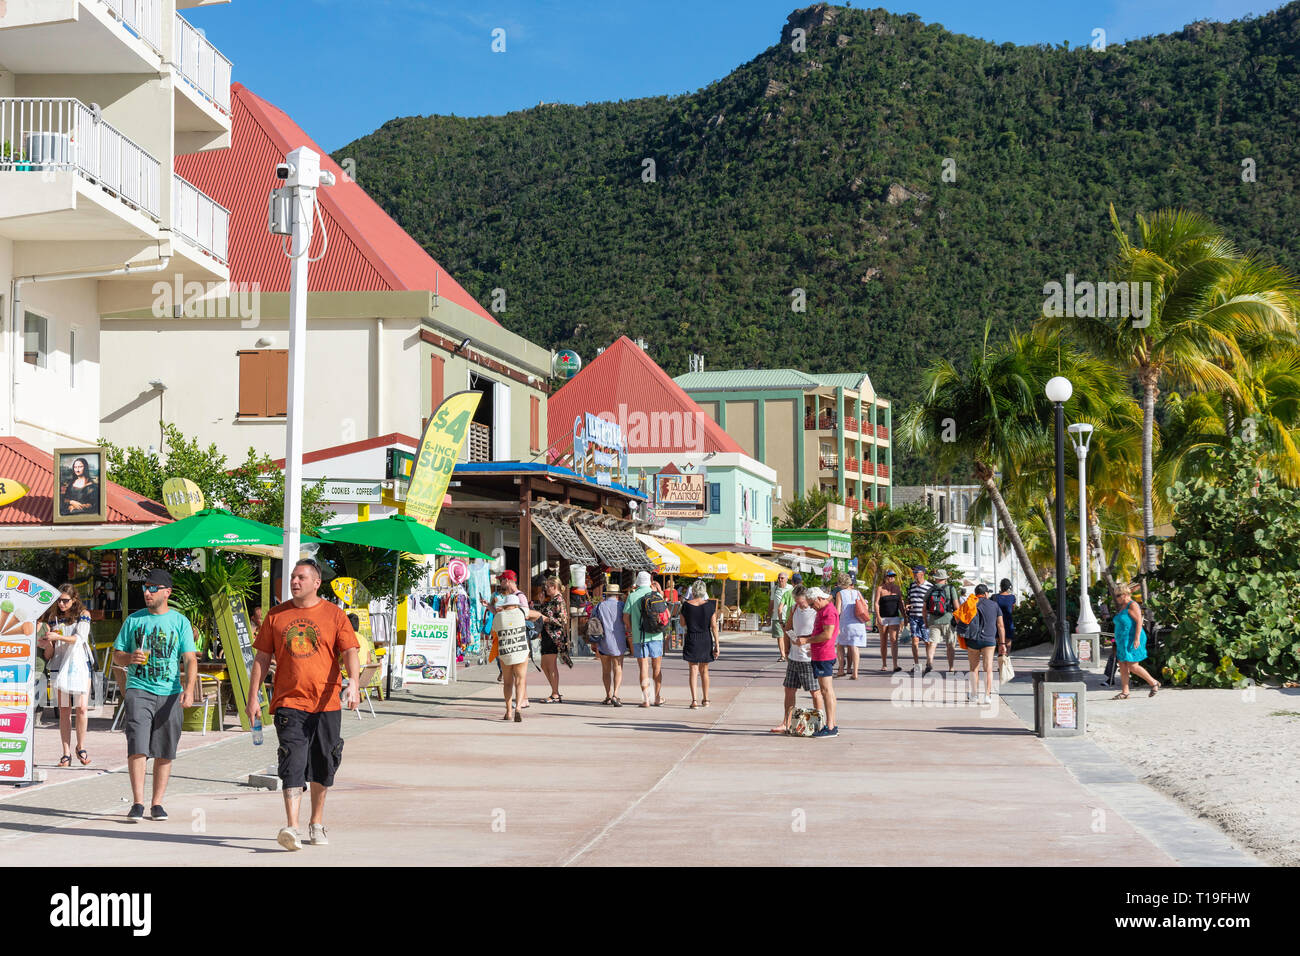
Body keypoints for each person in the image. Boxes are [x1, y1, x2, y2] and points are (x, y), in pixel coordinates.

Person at [247, 559, 361, 851]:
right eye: (293, 577)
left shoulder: (335, 615)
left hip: (326, 703)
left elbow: (349, 651)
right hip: (289, 702)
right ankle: (292, 827)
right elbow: (261, 658)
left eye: (301, 577)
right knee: (292, 760)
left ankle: (316, 823)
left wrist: (354, 685)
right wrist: (253, 698)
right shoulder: (276, 615)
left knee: (324, 762)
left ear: (316, 582)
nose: (294, 582)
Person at [111, 568, 197, 823]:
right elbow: (117, 655)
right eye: (145, 588)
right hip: (139, 688)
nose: (147, 593)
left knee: (165, 749)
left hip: (170, 693)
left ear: (166, 592)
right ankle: (137, 802)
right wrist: (129, 657)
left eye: (152, 588)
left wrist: (189, 690)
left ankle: (157, 803)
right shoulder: (134, 621)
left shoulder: (180, 621)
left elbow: (190, 659)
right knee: (137, 745)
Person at [37, 585, 94, 767]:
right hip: (59, 666)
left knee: (82, 708)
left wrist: (58, 638)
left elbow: (80, 638)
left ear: (74, 600)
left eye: (65, 600)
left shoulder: (84, 614)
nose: (61, 604)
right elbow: (50, 653)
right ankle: (66, 753)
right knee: (64, 710)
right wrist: (47, 643)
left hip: (79, 666)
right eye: (59, 600)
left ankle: (81, 746)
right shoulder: (53, 619)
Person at [771, 586, 825, 733]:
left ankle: (818, 723)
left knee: (815, 691)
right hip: (794, 657)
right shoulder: (794, 608)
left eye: (801, 602)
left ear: (807, 598)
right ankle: (786, 723)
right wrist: (787, 648)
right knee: (789, 689)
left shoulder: (815, 610)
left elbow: (823, 633)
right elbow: (788, 628)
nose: (799, 604)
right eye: (796, 601)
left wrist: (809, 642)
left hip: (808, 658)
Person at [491, 595, 551, 723]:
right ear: (516, 604)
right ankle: (518, 708)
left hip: (505, 651)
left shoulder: (498, 616)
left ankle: (508, 712)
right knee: (520, 680)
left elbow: (493, 632)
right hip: (521, 651)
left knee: (507, 682)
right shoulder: (522, 612)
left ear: (505, 605)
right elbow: (538, 615)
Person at [1111, 583, 1160, 700]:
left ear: (1125, 594)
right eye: (1116, 595)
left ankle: (1153, 683)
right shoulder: (1123, 606)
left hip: (1132, 638)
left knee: (1133, 666)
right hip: (1122, 639)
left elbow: (1139, 622)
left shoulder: (1132, 605)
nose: (1116, 598)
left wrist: (1137, 638)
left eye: (1118, 595)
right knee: (1122, 665)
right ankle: (1125, 691)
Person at [625, 571, 667, 707]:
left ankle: (645, 699)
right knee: (657, 667)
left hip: (640, 637)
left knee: (643, 667)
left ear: (637, 582)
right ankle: (658, 697)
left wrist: (632, 629)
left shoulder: (632, 596)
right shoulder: (657, 595)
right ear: (650, 582)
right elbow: (665, 614)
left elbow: (625, 617)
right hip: (656, 635)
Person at [805, 588, 839, 738]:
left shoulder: (828, 611)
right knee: (827, 690)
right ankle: (832, 724)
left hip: (824, 655)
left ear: (819, 598)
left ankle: (830, 725)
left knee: (826, 691)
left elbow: (827, 634)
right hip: (820, 653)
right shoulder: (822, 611)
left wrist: (807, 640)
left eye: (812, 604)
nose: (812, 607)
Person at [680, 579, 719, 709]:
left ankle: (694, 700)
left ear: (693, 591)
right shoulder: (710, 606)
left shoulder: (686, 605)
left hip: (692, 637)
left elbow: (682, 624)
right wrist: (717, 645)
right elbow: (714, 626)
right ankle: (706, 699)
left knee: (693, 670)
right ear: (704, 591)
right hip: (705, 638)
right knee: (705, 671)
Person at [590, 580, 627, 706]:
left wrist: (593, 642)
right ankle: (616, 694)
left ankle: (608, 695)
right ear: (617, 595)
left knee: (605, 670)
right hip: (619, 641)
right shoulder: (622, 606)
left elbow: (593, 622)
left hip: (603, 641)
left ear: (606, 594)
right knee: (618, 668)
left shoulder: (599, 606)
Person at [966, 585, 1004, 704]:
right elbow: (1000, 625)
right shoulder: (994, 605)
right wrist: (1002, 643)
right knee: (988, 669)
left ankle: (974, 695)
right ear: (986, 594)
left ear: (976, 593)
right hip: (989, 640)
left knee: (973, 668)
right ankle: (987, 696)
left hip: (973, 639)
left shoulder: (970, 603)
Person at [536, 576, 570, 703]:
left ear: (553, 586)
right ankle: (555, 691)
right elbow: (546, 614)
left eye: (547, 586)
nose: (546, 589)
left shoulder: (559, 600)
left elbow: (562, 620)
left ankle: (555, 693)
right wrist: (542, 603)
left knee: (550, 665)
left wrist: (546, 619)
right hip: (548, 635)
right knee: (544, 665)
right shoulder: (552, 600)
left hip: (554, 636)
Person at [833, 572, 868, 679]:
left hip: (845, 624)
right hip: (858, 623)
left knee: (840, 645)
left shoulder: (840, 594)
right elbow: (865, 605)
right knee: (854, 647)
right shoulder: (857, 592)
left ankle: (841, 670)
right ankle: (855, 672)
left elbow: (838, 611)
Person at [927, 569, 961, 674]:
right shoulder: (951, 589)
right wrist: (958, 620)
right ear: (945, 579)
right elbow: (956, 606)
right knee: (950, 644)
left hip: (933, 620)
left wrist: (926, 621)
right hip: (948, 620)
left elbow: (924, 608)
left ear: (936, 579)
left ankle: (929, 663)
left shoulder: (931, 589)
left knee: (932, 643)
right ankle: (951, 667)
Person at [905, 566, 934, 675]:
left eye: (916, 572)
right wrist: (907, 605)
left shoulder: (930, 586)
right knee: (914, 641)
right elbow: (909, 598)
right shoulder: (912, 585)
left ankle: (929, 663)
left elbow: (932, 602)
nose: (914, 574)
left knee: (927, 641)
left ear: (922, 574)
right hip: (913, 616)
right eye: (914, 572)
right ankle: (916, 665)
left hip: (925, 617)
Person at [875, 570, 904, 673]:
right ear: (885, 577)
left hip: (894, 617)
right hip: (883, 617)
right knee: (883, 641)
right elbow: (876, 603)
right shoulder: (880, 589)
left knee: (894, 640)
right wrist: (878, 616)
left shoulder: (897, 588)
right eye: (889, 576)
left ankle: (895, 665)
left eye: (893, 576)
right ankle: (884, 664)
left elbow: (900, 603)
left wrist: (904, 616)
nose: (891, 578)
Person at [770, 572, 795, 661]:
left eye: (782, 578)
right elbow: (772, 602)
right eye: (779, 578)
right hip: (777, 617)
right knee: (780, 636)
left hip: (789, 616)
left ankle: (791, 653)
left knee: (790, 635)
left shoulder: (791, 588)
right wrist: (770, 614)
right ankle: (783, 655)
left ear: (786, 579)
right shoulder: (775, 588)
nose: (780, 580)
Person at [993, 580, 1017, 661]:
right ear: (1009, 587)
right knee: (1008, 643)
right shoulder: (1012, 597)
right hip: (1008, 621)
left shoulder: (995, 597)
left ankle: (1001, 662)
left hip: (997, 622)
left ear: (1000, 586)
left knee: (1000, 643)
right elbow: (1013, 609)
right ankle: (1006, 659)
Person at [663, 576, 681, 652]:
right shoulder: (676, 591)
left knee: (666, 624)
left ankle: (666, 639)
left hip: (668, 612)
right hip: (675, 612)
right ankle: (676, 641)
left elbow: (664, 601)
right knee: (675, 623)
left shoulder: (665, 591)